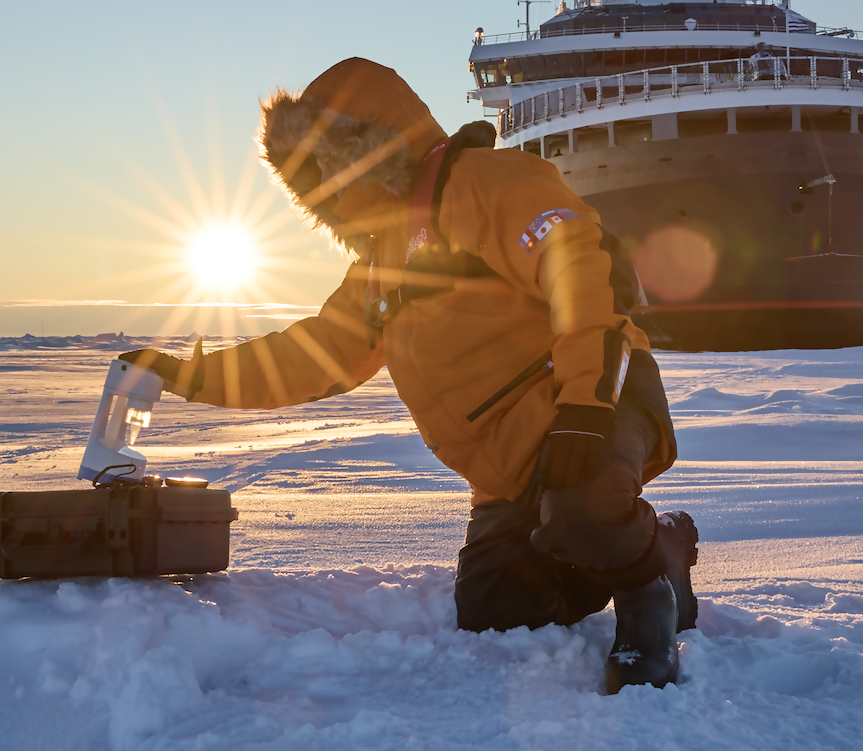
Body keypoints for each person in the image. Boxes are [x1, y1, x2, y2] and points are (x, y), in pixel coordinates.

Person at [118, 58, 696, 693]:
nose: (327, 190)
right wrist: (188, 375)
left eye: (331, 167)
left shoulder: (480, 182)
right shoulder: (379, 270)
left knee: (583, 506)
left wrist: (586, 408)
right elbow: (308, 356)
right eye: (312, 179)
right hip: (510, 467)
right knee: (497, 613)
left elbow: (579, 269)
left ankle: (647, 600)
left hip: (598, 395)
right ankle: (655, 544)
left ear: (370, 149)